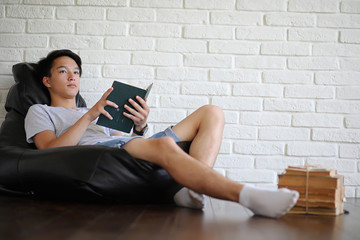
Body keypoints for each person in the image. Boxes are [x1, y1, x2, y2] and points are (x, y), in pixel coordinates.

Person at [24, 49, 299, 218]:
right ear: (47, 81)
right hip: (109, 152)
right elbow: (49, 152)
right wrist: (90, 114)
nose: (73, 76)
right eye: (63, 71)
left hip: (132, 143)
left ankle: (189, 190)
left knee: (212, 112)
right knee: (165, 143)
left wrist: (141, 125)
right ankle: (247, 195)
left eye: (76, 71)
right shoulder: (41, 111)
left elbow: (136, 138)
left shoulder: (102, 109)